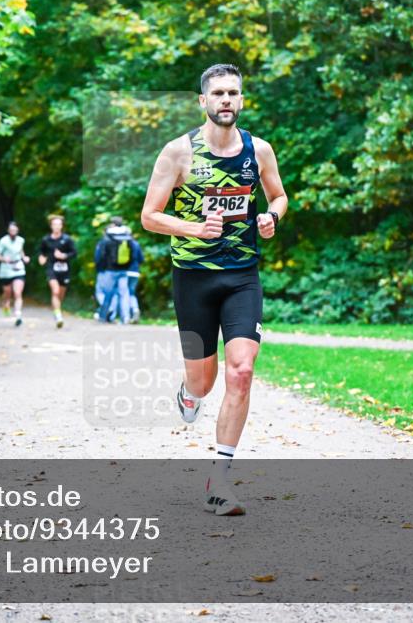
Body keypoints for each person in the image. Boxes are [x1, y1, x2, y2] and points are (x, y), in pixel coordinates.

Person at [140, 64, 288, 516]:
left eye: (234, 93)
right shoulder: (178, 153)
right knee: (204, 384)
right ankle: (188, 393)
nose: (226, 99)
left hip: (242, 275)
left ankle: (219, 480)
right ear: (202, 101)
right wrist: (193, 229)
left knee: (241, 370)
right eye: (218, 93)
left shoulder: (258, 150)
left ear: (242, 101)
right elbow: (149, 215)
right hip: (194, 278)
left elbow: (278, 196)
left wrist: (271, 219)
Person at [37, 214, 77, 328]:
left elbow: (74, 253)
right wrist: (41, 258)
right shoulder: (46, 239)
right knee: (55, 291)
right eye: (54, 224)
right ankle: (58, 315)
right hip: (51, 268)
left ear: (62, 226)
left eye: (59, 224)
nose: (57, 226)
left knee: (60, 294)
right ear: (51, 226)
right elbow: (41, 252)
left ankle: (57, 309)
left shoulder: (67, 239)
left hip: (64, 269)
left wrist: (64, 256)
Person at [97, 217, 134, 324]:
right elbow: (132, 253)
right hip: (124, 270)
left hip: (110, 270)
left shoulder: (108, 237)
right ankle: (125, 318)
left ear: (113, 224)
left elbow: (102, 255)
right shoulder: (127, 236)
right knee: (124, 294)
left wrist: (102, 268)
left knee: (108, 293)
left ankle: (104, 316)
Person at [0, 221, 29, 327]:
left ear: (17, 230)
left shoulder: (21, 240)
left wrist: (24, 258)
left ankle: (18, 315)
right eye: (11, 230)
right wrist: (4, 259)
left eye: (15, 229)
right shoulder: (3, 241)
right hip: (6, 269)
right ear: (8, 231)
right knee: (7, 293)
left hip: (18, 267)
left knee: (17, 292)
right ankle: (6, 304)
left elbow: (21, 252)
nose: (13, 231)